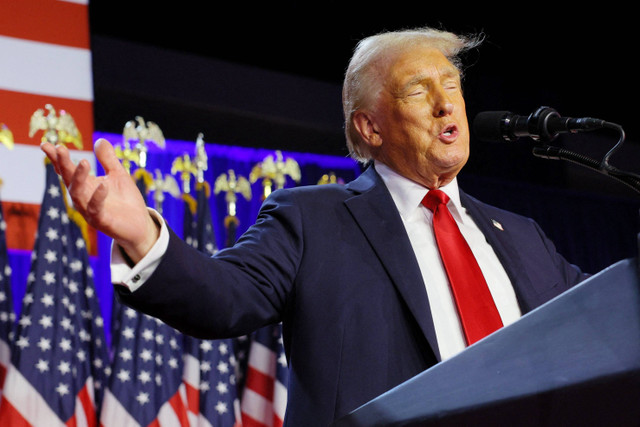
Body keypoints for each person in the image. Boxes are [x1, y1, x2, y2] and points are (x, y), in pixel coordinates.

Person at [42, 26, 587, 426]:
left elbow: (599, 327)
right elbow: (222, 297)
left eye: (453, 86)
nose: (448, 104)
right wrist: (141, 236)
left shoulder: (522, 236)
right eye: (419, 91)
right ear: (369, 127)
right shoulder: (312, 220)